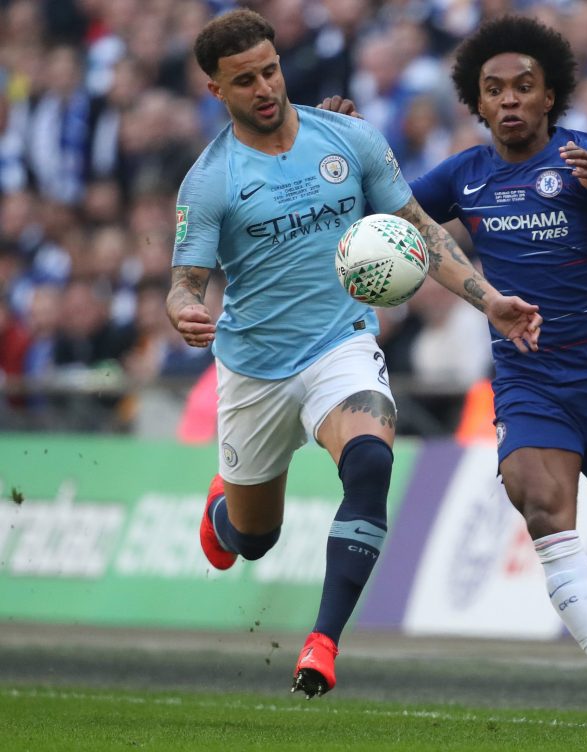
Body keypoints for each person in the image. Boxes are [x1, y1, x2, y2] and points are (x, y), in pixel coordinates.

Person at [166, 9, 541, 703]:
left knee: (370, 462)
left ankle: (324, 642)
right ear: (216, 91)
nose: (263, 88)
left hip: (340, 343)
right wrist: (185, 308)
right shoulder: (210, 179)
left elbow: (418, 231)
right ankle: (223, 511)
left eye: (270, 70)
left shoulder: (349, 138)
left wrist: (487, 298)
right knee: (254, 540)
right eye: (243, 80)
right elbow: (186, 280)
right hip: (252, 367)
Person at [405, 16, 587, 728]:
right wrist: (346, 145)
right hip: (529, 377)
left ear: (549, 96)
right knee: (541, 509)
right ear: (477, 101)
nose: (508, 100)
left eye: (523, 88)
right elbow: (391, 210)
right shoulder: (466, 175)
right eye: (492, 89)